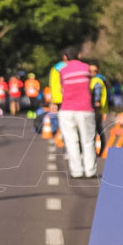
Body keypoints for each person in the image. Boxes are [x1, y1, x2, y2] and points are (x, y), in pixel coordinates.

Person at [51, 48, 97, 178]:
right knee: (88, 141)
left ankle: (76, 171)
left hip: (67, 109)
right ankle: (90, 171)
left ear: (65, 57)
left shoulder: (62, 70)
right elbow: (91, 85)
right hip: (85, 109)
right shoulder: (86, 68)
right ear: (80, 55)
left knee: (71, 141)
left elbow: (62, 88)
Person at [88, 62, 109, 155]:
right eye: (90, 71)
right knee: (98, 129)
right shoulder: (94, 80)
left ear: (98, 71)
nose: (92, 73)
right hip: (97, 109)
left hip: (96, 109)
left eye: (94, 71)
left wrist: (97, 102)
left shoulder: (96, 80)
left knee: (94, 129)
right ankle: (100, 150)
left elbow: (97, 94)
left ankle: (98, 151)